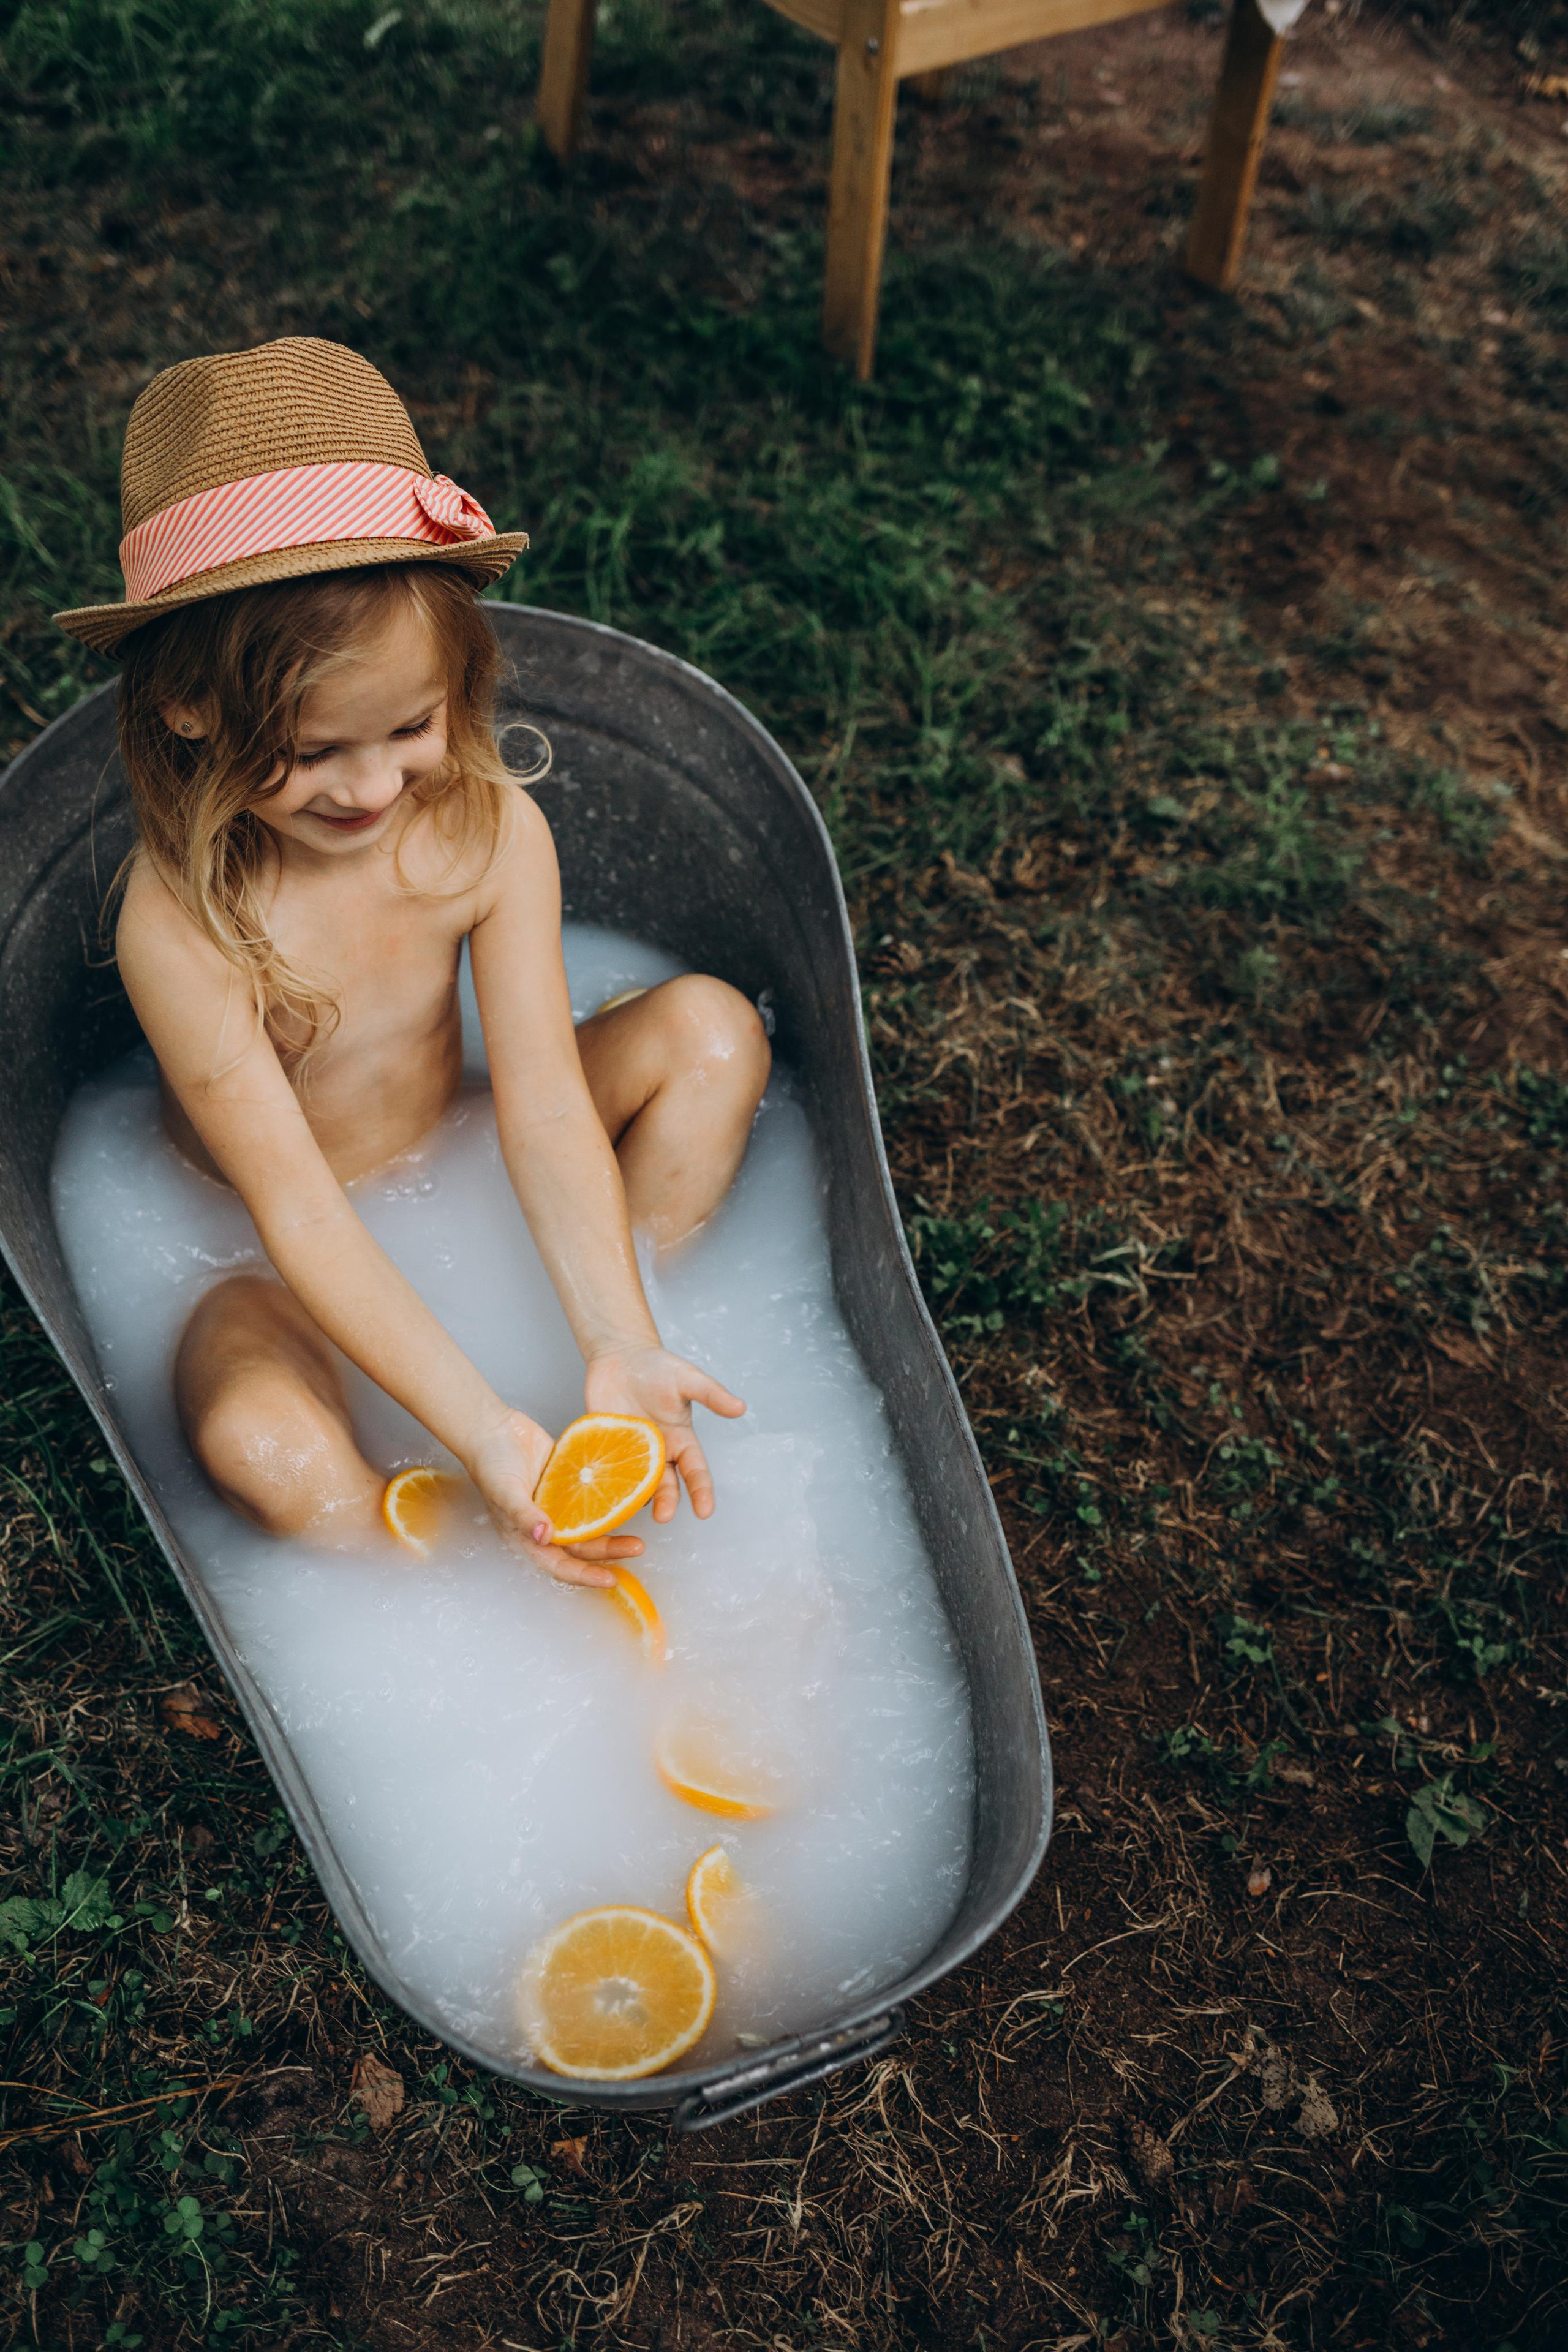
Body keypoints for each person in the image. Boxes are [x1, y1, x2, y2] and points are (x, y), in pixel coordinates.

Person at [55, 337, 771, 1587]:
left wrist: (617, 1333)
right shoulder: (182, 927)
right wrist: (484, 1430)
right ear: (189, 707)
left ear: (458, 680)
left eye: (411, 726)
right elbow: (299, 1214)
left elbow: (545, 1107)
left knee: (713, 1032)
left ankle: (645, 1353)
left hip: (462, 1141)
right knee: (265, 1450)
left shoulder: (485, 836)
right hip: (260, 1259)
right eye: (311, 751)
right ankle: (431, 1552)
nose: (373, 786)